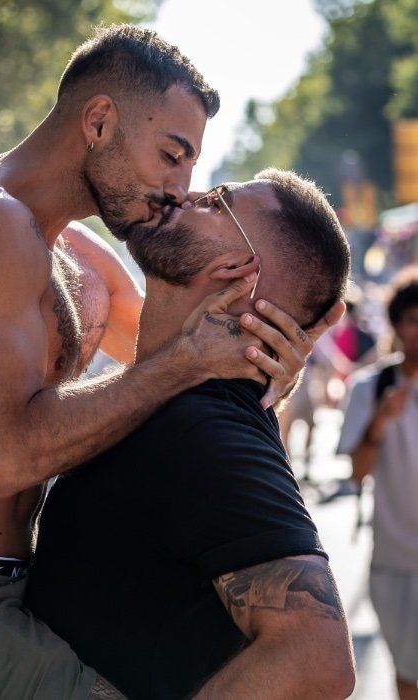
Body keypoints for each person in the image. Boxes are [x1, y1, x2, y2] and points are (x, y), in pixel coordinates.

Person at [0, 25, 342, 698]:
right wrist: (184, 361)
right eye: (171, 155)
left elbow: (166, 340)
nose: (178, 188)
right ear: (97, 121)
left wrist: (274, 365)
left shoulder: (60, 245)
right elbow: (7, 458)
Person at [25, 170, 356, 699]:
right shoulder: (174, 403)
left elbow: (316, 658)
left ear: (237, 270)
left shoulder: (201, 426)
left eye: (219, 200)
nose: (190, 194)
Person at [337, 268, 418, 700]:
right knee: (410, 675)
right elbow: (355, 472)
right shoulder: (371, 389)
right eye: (412, 319)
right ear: (397, 325)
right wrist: (381, 422)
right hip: (397, 562)